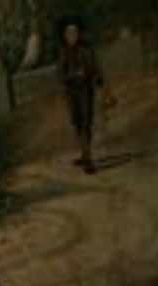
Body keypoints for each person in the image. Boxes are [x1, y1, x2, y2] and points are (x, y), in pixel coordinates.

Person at [57, 18, 105, 174]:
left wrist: (97, 78)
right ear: (65, 36)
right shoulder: (63, 52)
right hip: (72, 91)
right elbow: (60, 74)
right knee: (77, 122)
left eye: (75, 32)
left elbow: (95, 66)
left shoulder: (86, 48)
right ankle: (84, 151)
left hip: (85, 89)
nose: (72, 36)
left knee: (86, 122)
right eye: (69, 33)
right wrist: (73, 75)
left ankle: (87, 157)